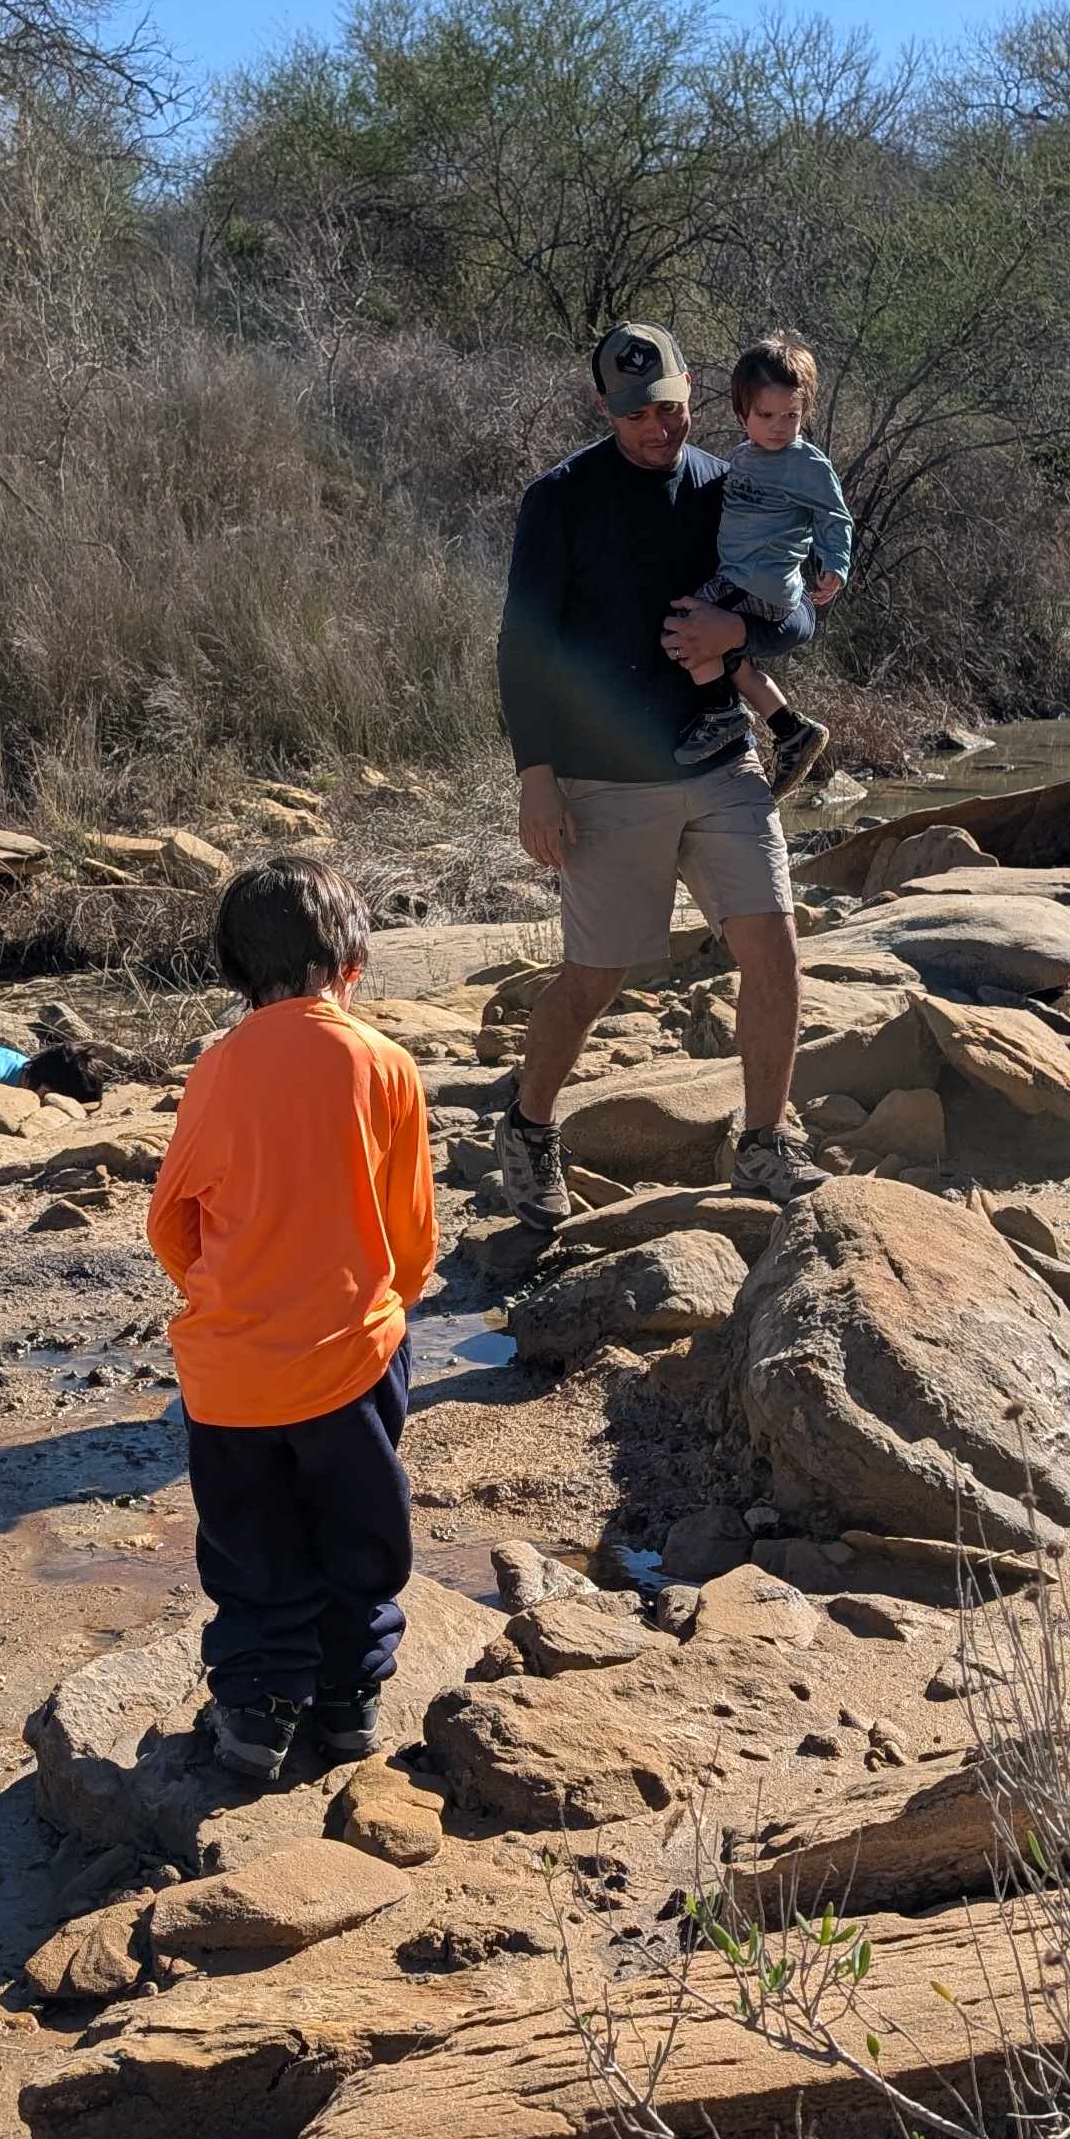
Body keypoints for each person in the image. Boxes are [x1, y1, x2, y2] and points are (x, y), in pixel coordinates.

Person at [491, 318, 822, 1230]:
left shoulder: (730, 486)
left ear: (689, 395)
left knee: (776, 953)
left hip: (721, 758)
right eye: (637, 413)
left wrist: (739, 635)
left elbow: (793, 616)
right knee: (594, 980)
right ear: (607, 406)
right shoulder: (559, 500)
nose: (658, 428)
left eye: (671, 408)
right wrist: (537, 777)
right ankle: (526, 1128)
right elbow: (524, 652)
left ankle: (764, 1145)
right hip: (605, 779)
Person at [144, 852, 435, 1790]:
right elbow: (412, 1231)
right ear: (349, 959)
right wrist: (393, 1307)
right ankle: (350, 1700)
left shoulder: (217, 1067)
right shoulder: (381, 1062)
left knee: (250, 1543)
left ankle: (258, 1709)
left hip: (228, 1373)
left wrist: (226, 1295)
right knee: (360, 1532)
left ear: (239, 970)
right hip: (351, 1356)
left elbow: (170, 1219)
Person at [671, 327, 854, 800]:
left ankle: (722, 716)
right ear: (742, 413)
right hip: (739, 576)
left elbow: (835, 516)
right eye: (766, 414)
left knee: (685, 627)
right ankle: (791, 729)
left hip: (765, 582)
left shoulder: (807, 465)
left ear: (805, 412)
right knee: (729, 655)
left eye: (791, 415)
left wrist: (835, 565)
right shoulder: (742, 457)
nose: (778, 426)